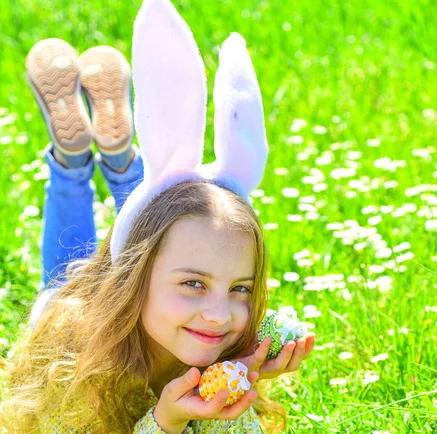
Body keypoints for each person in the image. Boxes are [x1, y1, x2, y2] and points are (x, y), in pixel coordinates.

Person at [0, 0, 315, 432]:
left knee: (165, 212)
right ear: (132, 279)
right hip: (70, 310)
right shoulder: (70, 369)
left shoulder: (213, 336)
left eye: (240, 287)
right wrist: (166, 422)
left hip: (137, 271)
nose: (220, 315)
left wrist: (250, 365)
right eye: (193, 284)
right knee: (61, 272)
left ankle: (112, 164)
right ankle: (76, 166)